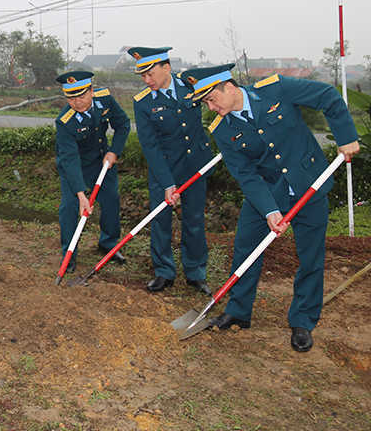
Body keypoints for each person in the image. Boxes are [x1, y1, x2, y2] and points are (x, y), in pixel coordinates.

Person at [180, 64, 359, 352]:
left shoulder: (277, 89)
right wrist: (269, 210)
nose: (210, 107)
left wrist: (346, 136)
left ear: (229, 87)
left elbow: (327, 96)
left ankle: (302, 320)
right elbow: (246, 174)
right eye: (205, 104)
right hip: (265, 193)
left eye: (211, 99)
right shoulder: (223, 130)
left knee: (310, 257)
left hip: (309, 184)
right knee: (245, 249)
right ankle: (238, 311)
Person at [129, 47, 213, 296]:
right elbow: (150, 146)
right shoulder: (143, 102)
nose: (147, 80)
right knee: (161, 221)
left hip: (196, 166)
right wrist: (167, 183)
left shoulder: (192, 87)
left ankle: (196, 273)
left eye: (151, 74)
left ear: (167, 68)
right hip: (163, 170)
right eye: (142, 76)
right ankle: (164, 272)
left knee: (195, 221)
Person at [54, 70, 131, 274]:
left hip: (101, 160)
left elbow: (123, 124)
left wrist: (114, 150)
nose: (78, 102)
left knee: (111, 200)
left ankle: (108, 244)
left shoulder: (105, 100)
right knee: (69, 206)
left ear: (91, 90)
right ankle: (69, 254)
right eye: (71, 97)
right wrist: (81, 195)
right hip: (74, 165)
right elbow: (69, 159)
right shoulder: (64, 122)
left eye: (82, 95)